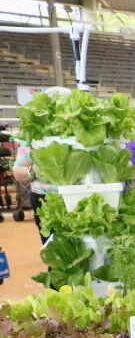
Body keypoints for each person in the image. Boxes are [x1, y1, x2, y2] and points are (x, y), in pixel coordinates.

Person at [11, 86, 71, 244]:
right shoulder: (34, 135)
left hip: (77, 197)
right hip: (45, 199)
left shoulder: (78, 133)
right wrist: (34, 171)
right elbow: (18, 172)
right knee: (55, 250)